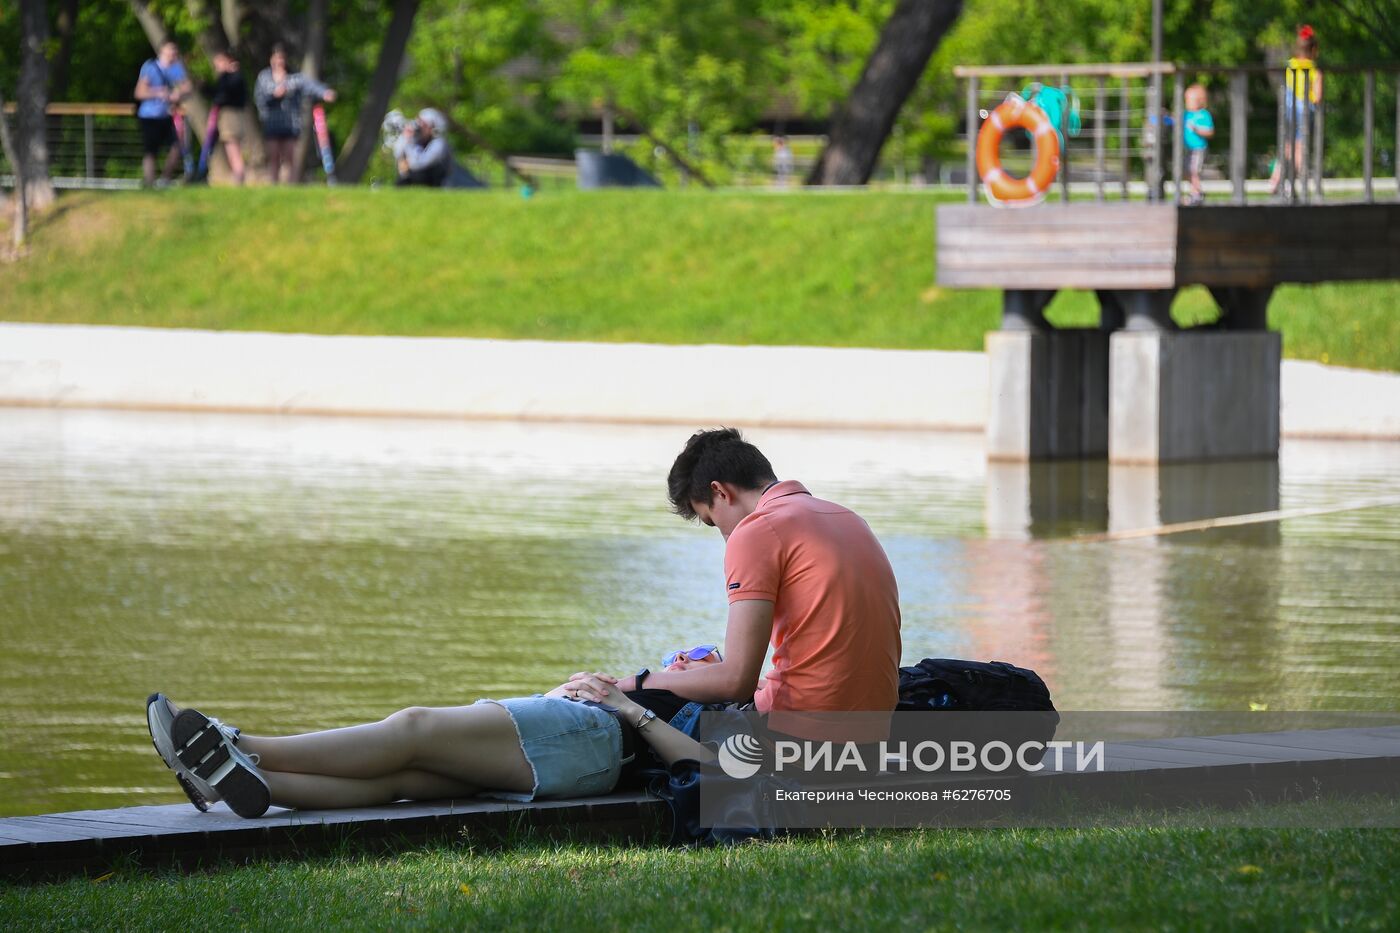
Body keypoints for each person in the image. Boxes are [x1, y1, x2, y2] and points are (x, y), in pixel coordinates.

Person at [572, 428, 903, 742]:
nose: (724, 536)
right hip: (872, 737)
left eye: (712, 521)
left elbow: (736, 680)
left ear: (720, 491)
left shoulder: (757, 530)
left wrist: (634, 683)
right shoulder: (846, 517)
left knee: (641, 709)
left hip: (799, 738)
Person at [146, 646, 723, 817]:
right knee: (400, 778)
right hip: (576, 750)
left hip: (586, 737)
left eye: (702, 656)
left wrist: (625, 703)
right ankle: (233, 781)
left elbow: (716, 773)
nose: (692, 659)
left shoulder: (733, 706)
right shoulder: (693, 693)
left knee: (413, 728)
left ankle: (236, 745)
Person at [254, 44, 337, 185]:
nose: (279, 62)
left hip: (291, 124)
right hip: (272, 123)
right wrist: (275, 95)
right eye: (276, 58)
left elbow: (311, 86)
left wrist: (325, 92)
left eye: (282, 58)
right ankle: (273, 186)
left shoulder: (295, 78)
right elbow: (259, 98)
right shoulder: (264, 77)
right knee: (273, 156)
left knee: (290, 158)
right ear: (271, 59)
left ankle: (290, 186)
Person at [1270, 25, 1324, 196]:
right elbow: (1317, 96)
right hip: (1304, 110)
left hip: (1288, 108)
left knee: (1287, 146)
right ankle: (1296, 182)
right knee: (1300, 148)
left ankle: (1275, 180)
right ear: (1314, 49)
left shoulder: (1290, 65)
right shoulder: (1315, 70)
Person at [133, 40, 193, 187]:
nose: (173, 53)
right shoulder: (151, 67)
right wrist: (159, 92)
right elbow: (139, 92)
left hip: (166, 115)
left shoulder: (176, 68)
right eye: (170, 50)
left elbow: (188, 87)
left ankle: (165, 179)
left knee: (177, 146)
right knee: (150, 150)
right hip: (149, 116)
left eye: (175, 50)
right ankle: (150, 182)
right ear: (162, 51)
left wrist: (177, 94)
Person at [203, 50, 249, 185]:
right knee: (231, 148)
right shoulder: (227, 78)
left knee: (233, 147)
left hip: (231, 116)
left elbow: (223, 96)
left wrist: (227, 74)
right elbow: (216, 93)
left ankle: (239, 178)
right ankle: (238, 176)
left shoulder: (234, 77)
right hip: (229, 115)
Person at [394, 108, 453, 187]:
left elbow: (419, 164)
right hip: (416, 177)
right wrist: (406, 138)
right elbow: (398, 155)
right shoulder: (416, 139)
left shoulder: (439, 143)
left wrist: (410, 145)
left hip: (433, 181)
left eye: (424, 125)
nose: (420, 127)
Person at [1183, 84, 1214, 206]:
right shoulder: (1186, 114)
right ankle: (1195, 191)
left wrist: (1197, 130)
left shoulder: (1203, 115)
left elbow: (1210, 132)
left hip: (1198, 148)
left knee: (1193, 171)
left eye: (1189, 100)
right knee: (1186, 171)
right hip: (1187, 148)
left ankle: (1197, 193)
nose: (1186, 102)